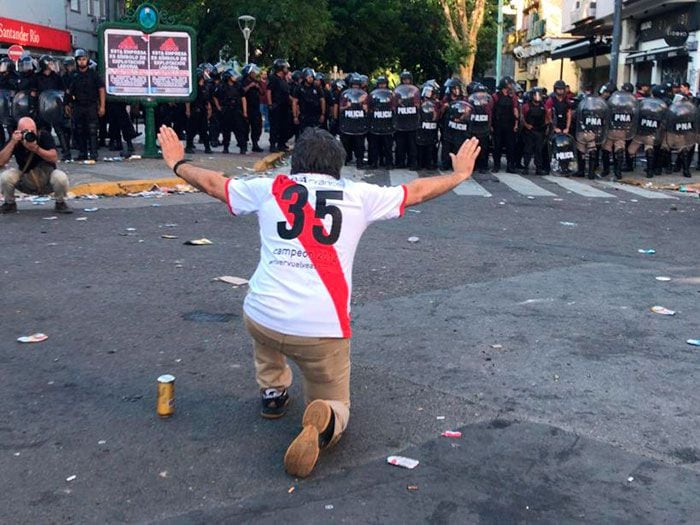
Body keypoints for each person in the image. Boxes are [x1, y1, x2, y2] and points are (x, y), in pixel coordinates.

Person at [157, 124, 481, 478]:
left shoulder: (270, 189)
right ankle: (325, 418)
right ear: (337, 167)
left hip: (261, 316)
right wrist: (459, 174)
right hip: (320, 331)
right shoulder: (359, 195)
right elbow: (416, 191)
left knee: (267, 327)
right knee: (336, 399)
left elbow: (214, 184)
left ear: (294, 164)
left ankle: (273, 393)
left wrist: (177, 163)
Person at [0, 116, 71, 214]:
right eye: (25, 131)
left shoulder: (43, 136)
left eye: (32, 131)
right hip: (26, 178)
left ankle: (60, 202)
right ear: (19, 131)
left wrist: (36, 149)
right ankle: (9, 203)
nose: (29, 134)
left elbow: (54, 157)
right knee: (5, 176)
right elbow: (1, 162)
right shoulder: (15, 140)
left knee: (60, 177)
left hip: (47, 178)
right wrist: (12, 142)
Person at [65, 49, 106, 162]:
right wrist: (67, 104)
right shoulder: (73, 75)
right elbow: (68, 91)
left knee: (92, 130)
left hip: (91, 105)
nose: (82, 62)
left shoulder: (93, 74)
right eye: (79, 60)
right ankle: (82, 153)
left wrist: (102, 106)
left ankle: (93, 153)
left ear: (87, 60)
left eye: (84, 59)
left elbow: (101, 89)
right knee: (79, 130)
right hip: (78, 105)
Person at [490, 78, 519, 173]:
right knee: (497, 146)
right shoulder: (495, 96)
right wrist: (490, 125)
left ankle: (510, 166)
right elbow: (491, 111)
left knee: (511, 146)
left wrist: (516, 124)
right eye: (509, 85)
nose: (511, 87)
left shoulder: (513, 97)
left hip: (509, 125)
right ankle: (496, 165)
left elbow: (515, 110)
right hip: (497, 125)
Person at [521, 88, 549, 175]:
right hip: (529, 131)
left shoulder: (543, 106)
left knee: (539, 150)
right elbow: (522, 117)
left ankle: (539, 168)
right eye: (535, 95)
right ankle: (526, 167)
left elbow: (547, 117)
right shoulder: (526, 106)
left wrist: (546, 127)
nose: (537, 97)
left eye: (539, 95)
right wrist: (526, 125)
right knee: (528, 149)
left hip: (540, 131)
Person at [185, 69, 212, 154]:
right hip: (194, 110)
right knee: (191, 130)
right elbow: (188, 100)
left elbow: (206, 100)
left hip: (202, 110)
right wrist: (188, 110)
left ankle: (207, 147)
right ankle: (189, 146)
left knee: (204, 130)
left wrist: (209, 109)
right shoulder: (194, 87)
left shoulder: (204, 86)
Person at [267, 59, 291, 152]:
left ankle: (281, 144)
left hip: (284, 107)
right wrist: (270, 104)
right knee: (275, 127)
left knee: (284, 126)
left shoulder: (284, 79)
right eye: (285, 67)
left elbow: (286, 93)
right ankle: (273, 145)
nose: (287, 69)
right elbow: (269, 91)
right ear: (280, 68)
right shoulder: (273, 78)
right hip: (276, 106)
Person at [292, 68, 326, 134]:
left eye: (312, 77)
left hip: (316, 115)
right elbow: (294, 102)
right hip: (304, 115)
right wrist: (295, 116)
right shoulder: (299, 88)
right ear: (305, 77)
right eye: (309, 77)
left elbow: (322, 101)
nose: (311, 79)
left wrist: (323, 114)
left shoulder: (317, 87)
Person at [241, 64, 265, 152]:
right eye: (252, 72)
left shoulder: (256, 81)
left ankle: (255, 143)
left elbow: (263, 93)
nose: (255, 73)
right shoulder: (243, 81)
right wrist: (249, 86)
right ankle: (243, 145)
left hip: (256, 107)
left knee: (257, 126)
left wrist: (258, 87)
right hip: (247, 107)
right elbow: (241, 91)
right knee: (245, 128)